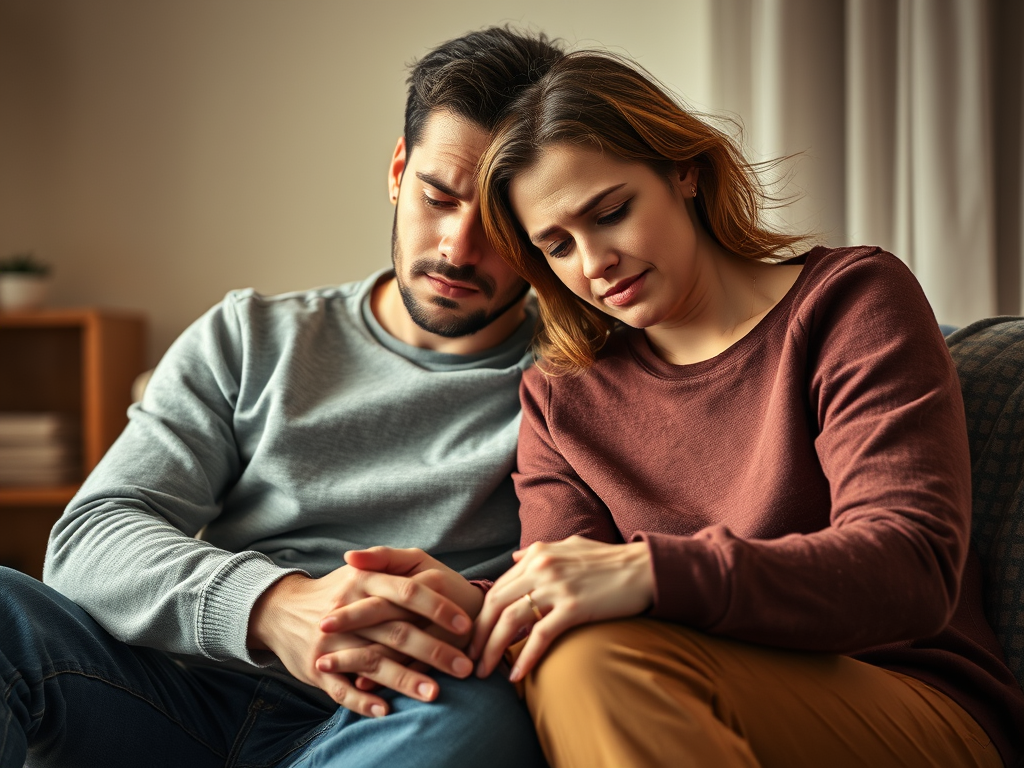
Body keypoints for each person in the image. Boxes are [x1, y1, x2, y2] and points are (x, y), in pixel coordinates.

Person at [0, 26, 565, 768]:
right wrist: (275, 607)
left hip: (390, 717)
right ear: (398, 172)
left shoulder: (574, 382)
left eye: (500, 215)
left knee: (484, 719)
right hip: (174, 699)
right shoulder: (253, 335)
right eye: (438, 196)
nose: (459, 247)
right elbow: (91, 536)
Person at [460, 51, 1024, 767]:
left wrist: (649, 573)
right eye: (558, 246)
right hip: (669, 701)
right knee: (567, 653)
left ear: (684, 171)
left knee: (587, 659)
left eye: (611, 213)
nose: (593, 262)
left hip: (909, 704)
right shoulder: (560, 397)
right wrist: (457, 602)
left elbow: (910, 567)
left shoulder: (849, 301)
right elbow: (560, 592)